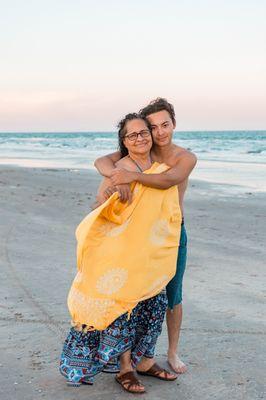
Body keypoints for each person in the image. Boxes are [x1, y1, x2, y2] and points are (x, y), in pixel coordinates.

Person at [59, 113, 181, 394]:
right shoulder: (118, 168)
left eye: (143, 133)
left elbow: (166, 205)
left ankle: (146, 361)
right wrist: (114, 187)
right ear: (124, 141)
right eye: (132, 135)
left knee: (153, 306)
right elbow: (100, 207)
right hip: (122, 255)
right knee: (124, 309)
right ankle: (125, 369)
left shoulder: (159, 167)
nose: (140, 138)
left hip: (151, 253)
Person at [94, 98, 197, 374]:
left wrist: (132, 178)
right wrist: (117, 176)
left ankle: (172, 352)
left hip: (173, 233)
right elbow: (101, 161)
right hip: (140, 234)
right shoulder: (141, 151)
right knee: (138, 295)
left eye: (165, 124)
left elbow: (167, 181)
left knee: (173, 295)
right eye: (153, 127)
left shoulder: (185, 157)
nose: (160, 132)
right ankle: (130, 359)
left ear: (174, 124)